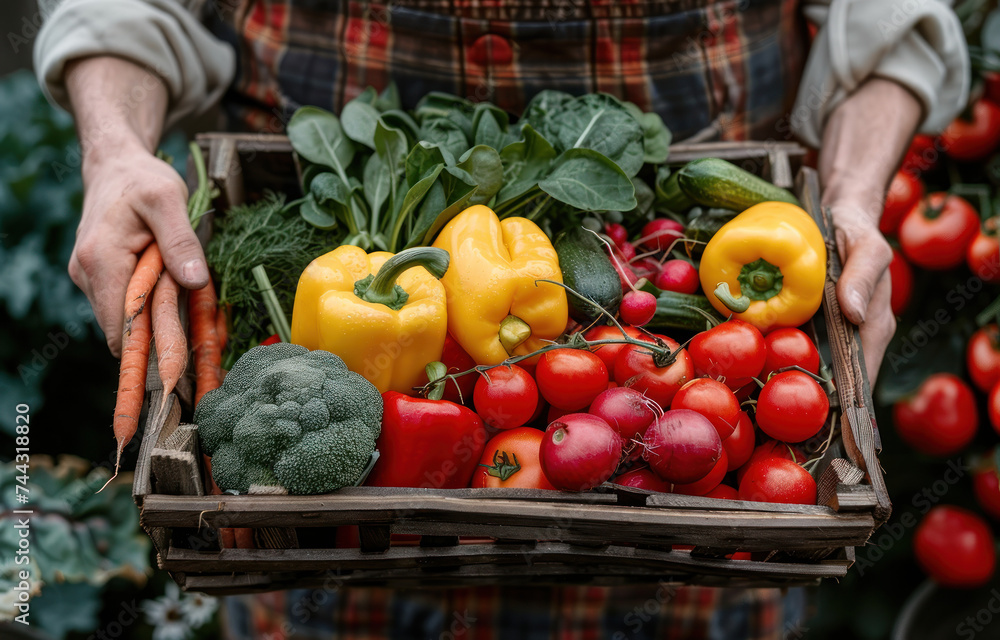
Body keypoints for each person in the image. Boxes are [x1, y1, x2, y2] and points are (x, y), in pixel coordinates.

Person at [35, 0, 968, 638]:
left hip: (690, 544)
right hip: (323, 557)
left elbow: (883, 16)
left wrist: (850, 196)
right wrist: (113, 150)